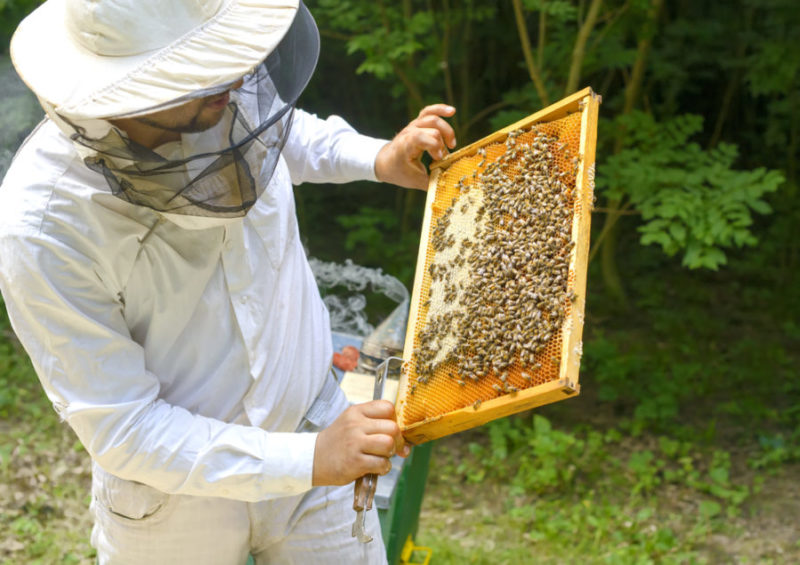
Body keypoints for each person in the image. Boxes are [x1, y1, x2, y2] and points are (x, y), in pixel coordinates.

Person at [0, 0, 456, 563]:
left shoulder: (217, 93)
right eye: (201, 70)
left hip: (315, 428)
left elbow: (281, 131)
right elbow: (124, 427)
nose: (239, 79)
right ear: (131, 89)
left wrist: (378, 157)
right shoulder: (43, 226)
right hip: (175, 503)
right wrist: (311, 458)